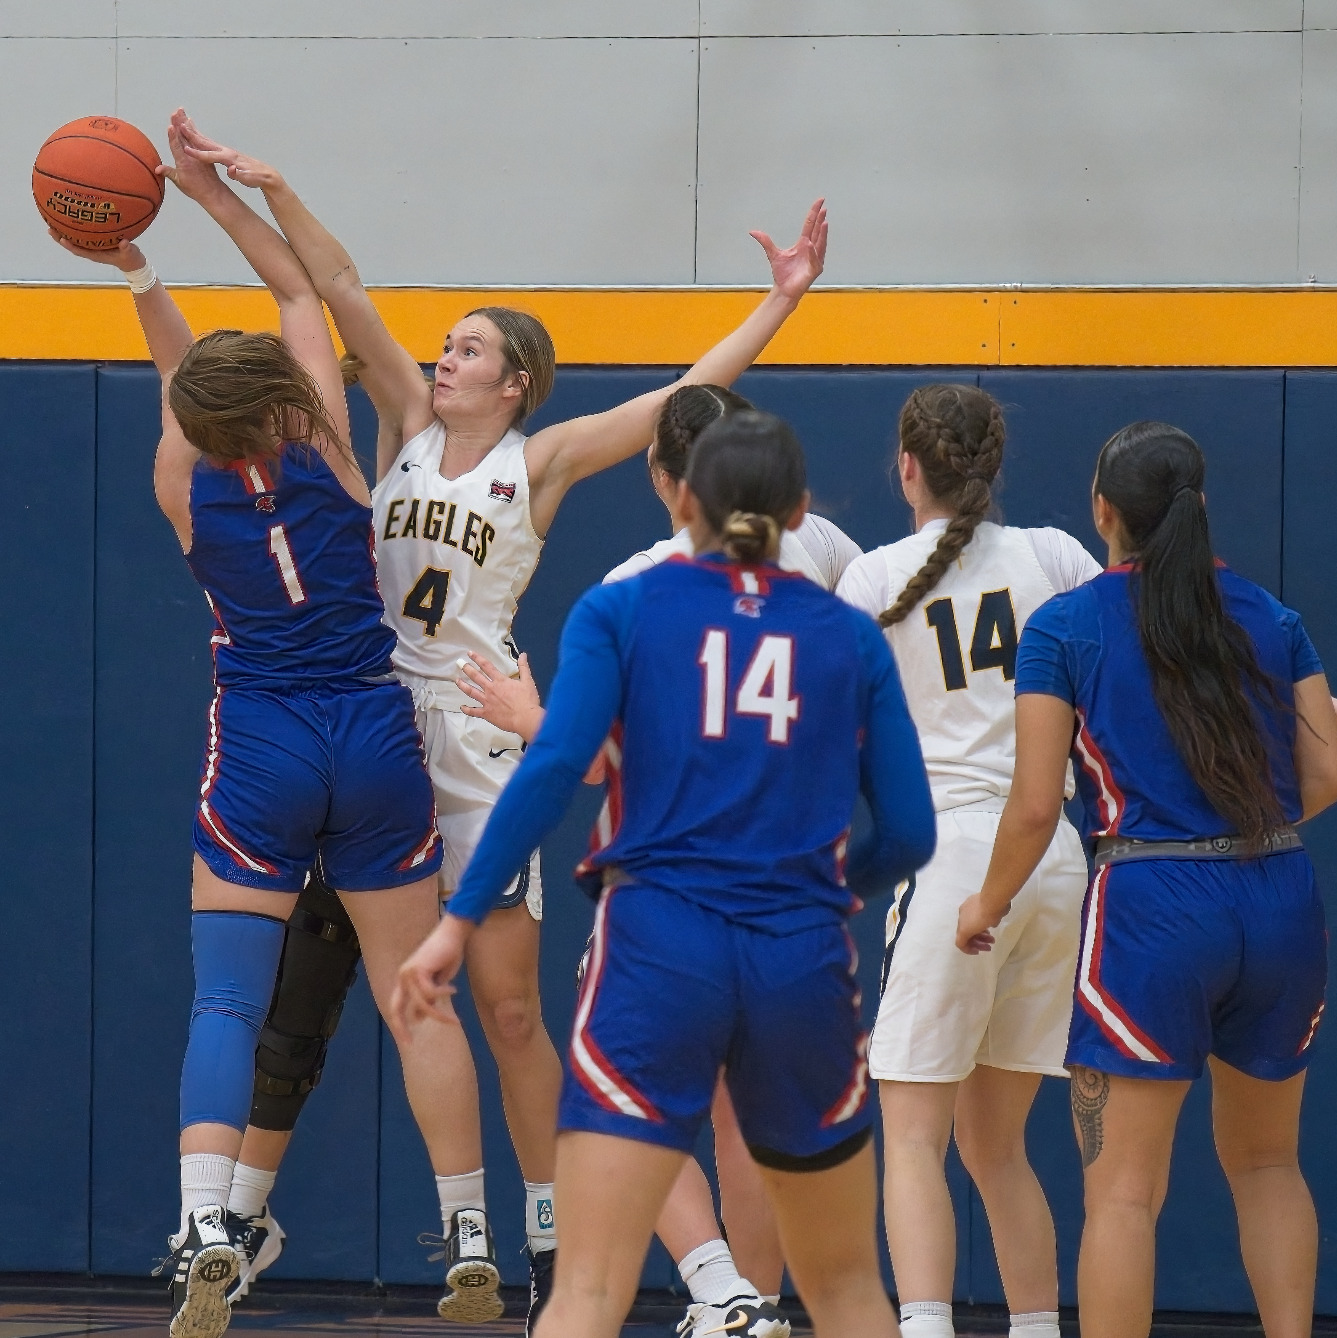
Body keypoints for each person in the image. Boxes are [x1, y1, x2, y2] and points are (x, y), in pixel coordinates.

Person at [169, 110, 828, 1326]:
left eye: (466, 349)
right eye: (443, 345)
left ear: (514, 381)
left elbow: (685, 399)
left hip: (469, 735)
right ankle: (240, 1221)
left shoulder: (541, 458)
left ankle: (542, 1231)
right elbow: (333, 284)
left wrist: (778, 304)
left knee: (510, 1007)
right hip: (360, 713)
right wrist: (258, 189)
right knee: (311, 992)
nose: (441, 357)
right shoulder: (400, 426)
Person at [51, 122, 489, 1338]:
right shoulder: (336, 450)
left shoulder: (177, 481)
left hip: (262, 740)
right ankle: (467, 1236)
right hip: (374, 731)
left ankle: (204, 1226)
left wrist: (135, 271)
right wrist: (210, 195)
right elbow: (298, 284)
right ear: (286, 403)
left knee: (226, 1005)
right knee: (422, 1004)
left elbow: (181, 386)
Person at [397, 409, 937, 1338]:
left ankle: (722, 1294)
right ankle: (745, 1300)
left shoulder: (627, 607)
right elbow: (911, 831)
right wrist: (829, 893)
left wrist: (457, 920)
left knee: (591, 1290)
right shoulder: (848, 635)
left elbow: (556, 765)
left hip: (659, 944)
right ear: (801, 510)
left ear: (681, 496)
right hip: (799, 957)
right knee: (848, 1290)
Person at [955, 422, 1337, 1338]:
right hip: (1280, 895)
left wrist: (986, 904)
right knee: (1268, 1167)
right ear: (1201, 510)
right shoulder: (1268, 614)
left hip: (1153, 903)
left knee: (1125, 1195)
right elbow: (1330, 777)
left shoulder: (1066, 625)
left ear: (1104, 513)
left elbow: (1029, 809)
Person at [831, 384, 1101, 1338]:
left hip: (952, 863)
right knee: (999, 1148)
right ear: (994, 463)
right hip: (1052, 859)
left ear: (908, 466)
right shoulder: (1057, 556)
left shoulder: (870, 578)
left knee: (911, 1141)